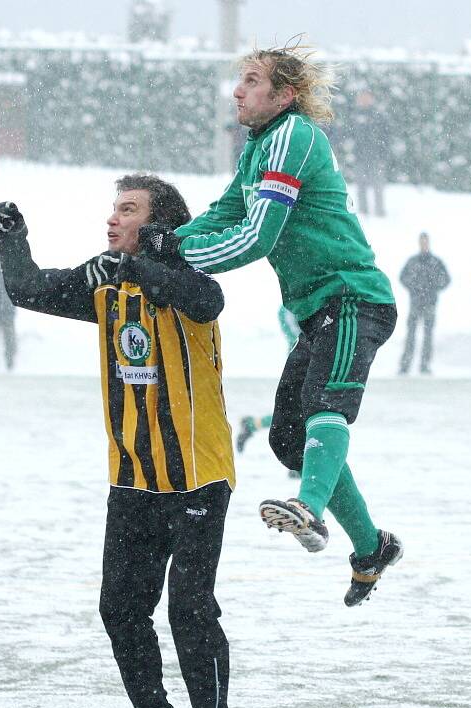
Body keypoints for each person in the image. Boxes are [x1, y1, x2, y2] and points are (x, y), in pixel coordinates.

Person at [0, 175, 234, 708]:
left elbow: (207, 301)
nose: (112, 219)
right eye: (113, 209)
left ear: (157, 225)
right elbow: (27, 289)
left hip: (198, 476)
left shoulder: (186, 276)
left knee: (189, 609)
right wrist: (13, 240)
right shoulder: (107, 282)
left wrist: (137, 263)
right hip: (133, 480)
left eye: (127, 210)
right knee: (119, 609)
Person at [173, 42, 403, 607]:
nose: (238, 90)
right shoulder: (257, 149)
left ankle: (310, 509)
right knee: (288, 438)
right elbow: (225, 214)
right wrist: (160, 247)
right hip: (318, 312)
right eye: (240, 81)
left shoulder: (294, 137)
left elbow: (257, 237)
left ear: (284, 95)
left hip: (355, 299)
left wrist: (173, 266)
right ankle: (372, 548)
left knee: (327, 405)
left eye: (251, 81)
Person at [236, 305, 300, 453]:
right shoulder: (288, 307)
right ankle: (297, 459)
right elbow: (297, 337)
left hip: (308, 360)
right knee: (295, 412)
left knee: (297, 412)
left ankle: (251, 425)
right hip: (300, 362)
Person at [398, 232, 450, 375]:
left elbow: (446, 279)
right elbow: (402, 277)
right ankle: (405, 365)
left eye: (426, 242)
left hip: (430, 304)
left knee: (428, 335)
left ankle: (425, 364)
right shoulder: (413, 261)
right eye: (422, 242)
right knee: (411, 334)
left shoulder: (436, 262)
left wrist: (433, 287)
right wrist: (414, 287)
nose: (424, 244)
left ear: (429, 243)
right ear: (419, 243)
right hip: (415, 303)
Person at [352, 89, 389, 217]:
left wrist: (382, 154)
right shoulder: (354, 115)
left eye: (367, 97)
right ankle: (363, 211)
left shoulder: (378, 115)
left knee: (378, 185)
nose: (364, 100)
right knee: (361, 186)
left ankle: (380, 211)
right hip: (360, 157)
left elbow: (385, 136)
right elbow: (350, 135)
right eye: (362, 97)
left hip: (376, 157)